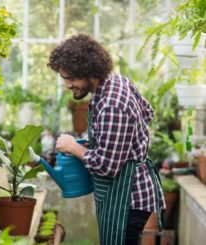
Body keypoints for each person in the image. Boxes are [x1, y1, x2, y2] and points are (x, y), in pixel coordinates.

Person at [47, 33, 166, 245]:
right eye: (64, 78)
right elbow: (147, 112)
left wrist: (73, 147)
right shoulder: (116, 81)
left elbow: (107, 166)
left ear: (89, 72)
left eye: (71, 78)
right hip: (122, 195)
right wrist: (107, 139)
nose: (67, 85)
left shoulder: (113, 105)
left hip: (127, 199)